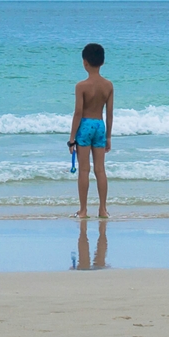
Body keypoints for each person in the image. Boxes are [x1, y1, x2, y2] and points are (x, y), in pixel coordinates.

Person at [67, 43, 114, 218]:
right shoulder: (108, 85)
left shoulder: (81, 86)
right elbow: (109, 114)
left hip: (85, 126)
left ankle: (83, 210)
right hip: (100, 126)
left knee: (84, 170)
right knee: (100, 170)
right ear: (102, 62)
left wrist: (72, 139)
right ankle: (103, 209)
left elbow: (78, 112)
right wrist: (108, 137)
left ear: (85, 62)